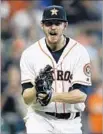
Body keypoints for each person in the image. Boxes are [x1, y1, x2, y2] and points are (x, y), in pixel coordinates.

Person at [20, 5, 92, 134]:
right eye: (49, 23)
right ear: (42, 25)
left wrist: (52, 96)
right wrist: (37, 88)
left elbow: (81, 95)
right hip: (39, 119)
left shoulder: (79, 52)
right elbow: (26, 98)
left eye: (57, 23)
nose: (53, 27)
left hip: (71, 123)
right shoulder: (30, 54)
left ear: (65, 25)